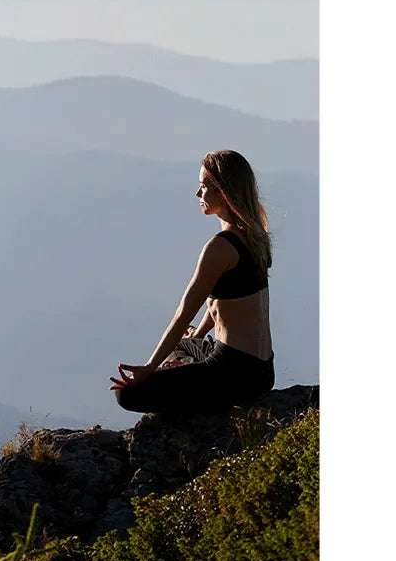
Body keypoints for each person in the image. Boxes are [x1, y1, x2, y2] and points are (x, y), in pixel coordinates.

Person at [111, 150, 274, 414]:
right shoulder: (255, 238)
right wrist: (198, 335)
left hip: (234, 372)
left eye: (203, 187)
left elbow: (183, 313)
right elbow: (224, 303)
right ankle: (189, 370)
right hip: (262, 370)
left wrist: (149, 369)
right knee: (182, 345)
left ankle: (198, 394)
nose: (197, 195)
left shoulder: (219, 248)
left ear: (222, 191)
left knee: (125, 394)